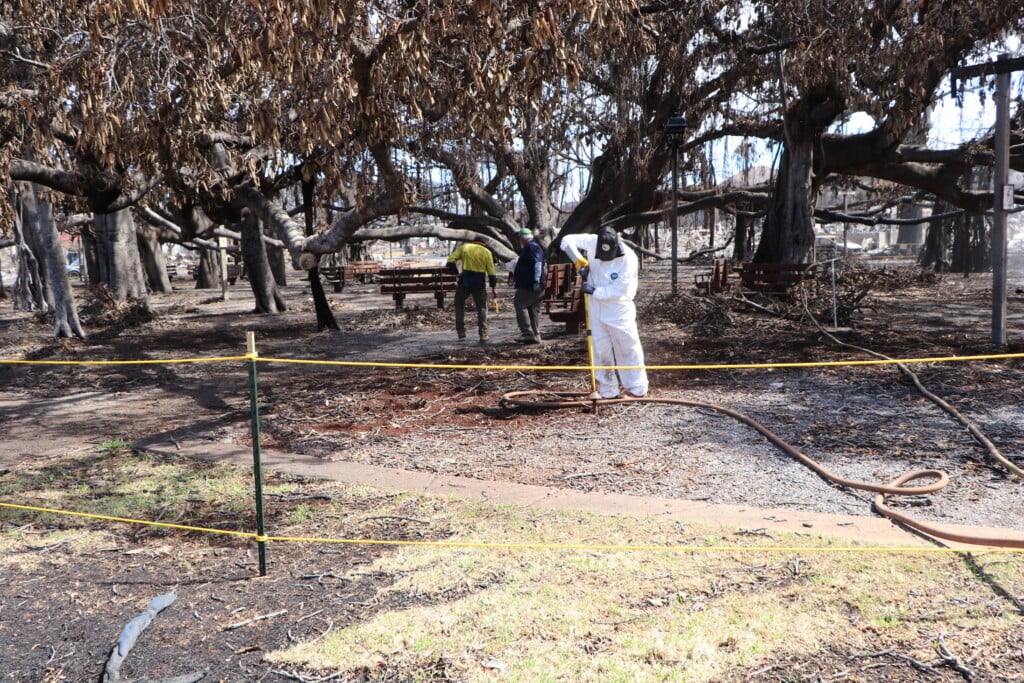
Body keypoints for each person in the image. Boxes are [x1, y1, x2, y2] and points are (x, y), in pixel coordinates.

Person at [559, 226, 648, 399]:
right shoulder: (593, 241)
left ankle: (637, 387)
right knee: (600, 348)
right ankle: (608, 389)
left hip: (618, 307)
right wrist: (577, 259)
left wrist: (594, 290)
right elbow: (566, 240)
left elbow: (620, 289)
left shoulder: (628, 259)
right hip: (595, 307)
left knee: (627, 347)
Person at [446, 239, 497, 342]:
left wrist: (457, 273)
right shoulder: (486, 252)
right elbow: (491, 272)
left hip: (464, 282)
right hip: (479, 283)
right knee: (482, 308)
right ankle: (483, 334)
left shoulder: (464, 248)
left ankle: (461, 332)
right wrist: (493, 288)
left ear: (473, 242)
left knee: (459, 305)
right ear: (483, 243)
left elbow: (450, 261)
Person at [512, 228, 546, 344]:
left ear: (522, 239)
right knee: (533, 308)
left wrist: (536, 281)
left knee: (519, 304)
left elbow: (537, 264)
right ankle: (536, 335)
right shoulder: (535, 246)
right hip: (535, 284)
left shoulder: (531, 247)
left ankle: (527, 334)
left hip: (530, 285)